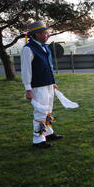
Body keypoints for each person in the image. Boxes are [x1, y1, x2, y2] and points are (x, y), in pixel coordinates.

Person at [21, 21, 63, 149]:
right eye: (45, 33)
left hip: (48, 84)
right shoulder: (28, 49)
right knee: (40, 111)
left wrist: (52, 82)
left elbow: (49, 67)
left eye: (47, 32)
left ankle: (48, 132)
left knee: (48, 110)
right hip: (38, 86)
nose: (48, 35)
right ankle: (38, 140)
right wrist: (28, 88)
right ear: (37, 34)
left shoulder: (44, 47)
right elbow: (26, 70)